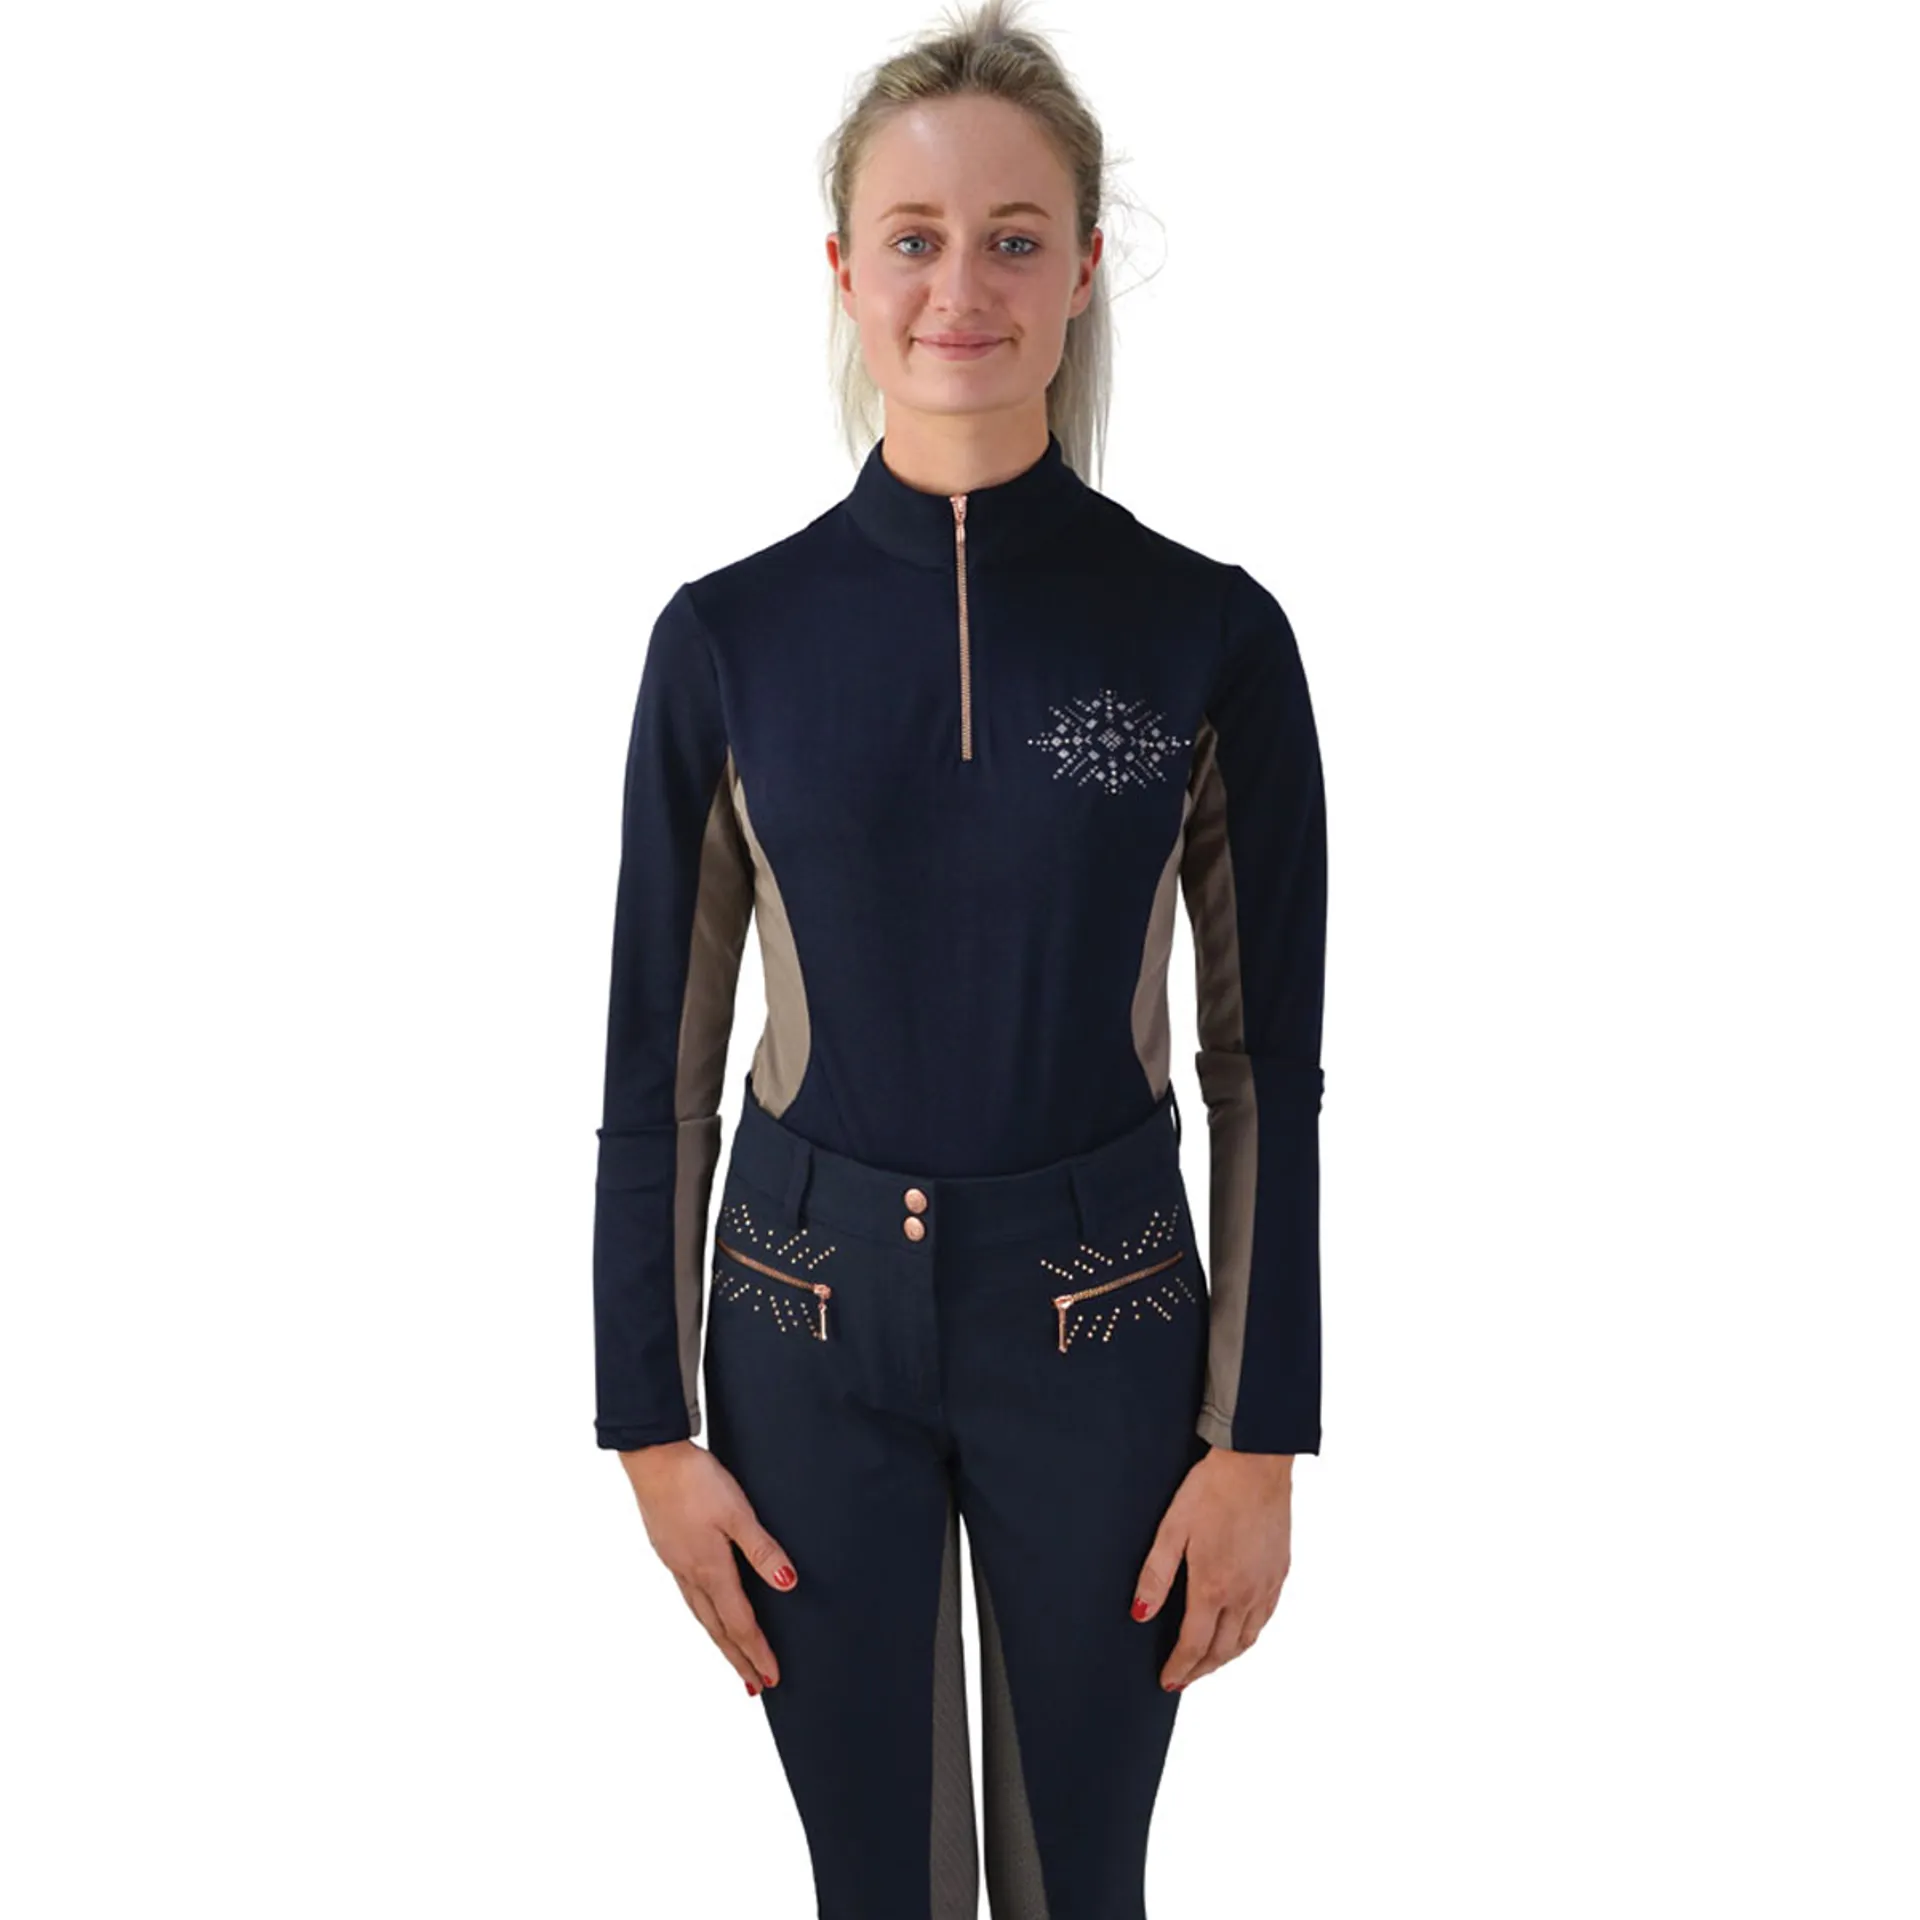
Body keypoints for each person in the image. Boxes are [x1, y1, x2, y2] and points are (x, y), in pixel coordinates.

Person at [590, 2, 1328, 1912]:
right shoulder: (728, 640)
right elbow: (657, 1061)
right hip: (798, 1321)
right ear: (844, 269)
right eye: (915, 238)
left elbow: (1265, 1067)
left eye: (1014, 237)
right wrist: (647, 1428)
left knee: (1082, 1880)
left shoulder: (1208, 639)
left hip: (1106, 1324)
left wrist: (1261, 1438)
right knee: (880, 1887)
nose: (961, 287)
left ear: (1084, 268)